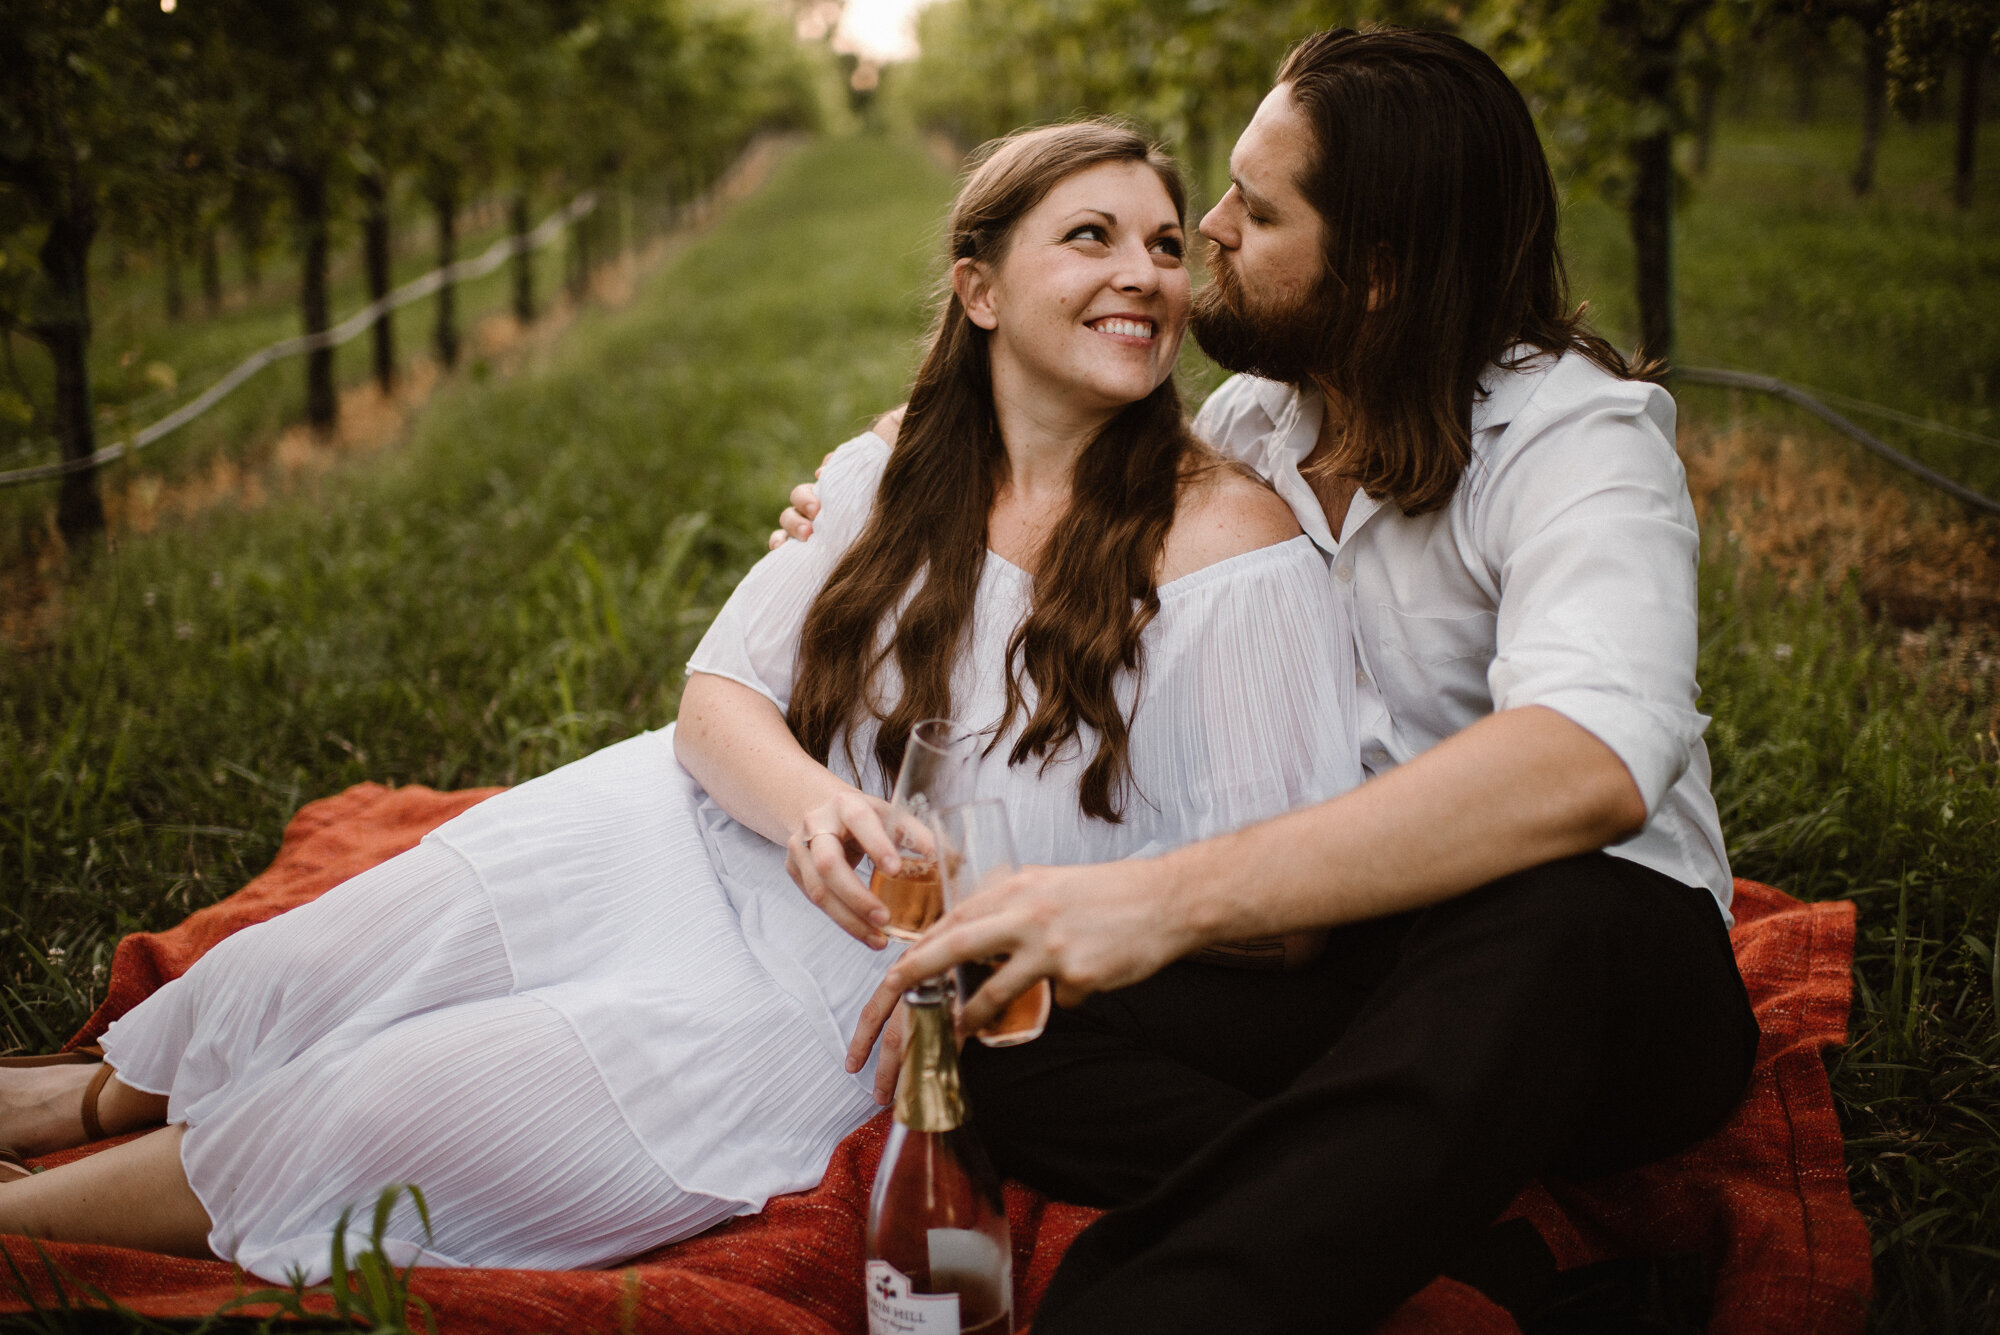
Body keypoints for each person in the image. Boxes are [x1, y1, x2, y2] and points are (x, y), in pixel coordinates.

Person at [0, 121, 1367, 1284]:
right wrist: (818, 807)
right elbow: (719, 697)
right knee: (331, 960)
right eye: (1093, 237)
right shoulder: (899, 464)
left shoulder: (1231, 554)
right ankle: (98, 1097)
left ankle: (26, 1225)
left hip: (874, 982)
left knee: (388, 1106)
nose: (1146, 273)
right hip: (702, 830)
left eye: (1167, 244)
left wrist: (1040, 936)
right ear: (981, 286)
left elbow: (1280, 919)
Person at [785, 28, 1760, 1335]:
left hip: (1599, 988)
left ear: (1378, 274)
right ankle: (1481, 1259)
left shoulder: (1579, 442)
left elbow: (1592, 757)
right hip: (1362, 949)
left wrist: (1161, 902)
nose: (1213, 226)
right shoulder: (1257, 427)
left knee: (1555, 910)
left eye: (1259, 205)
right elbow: (1053, 503)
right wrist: (879, 496)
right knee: (998, 1024)